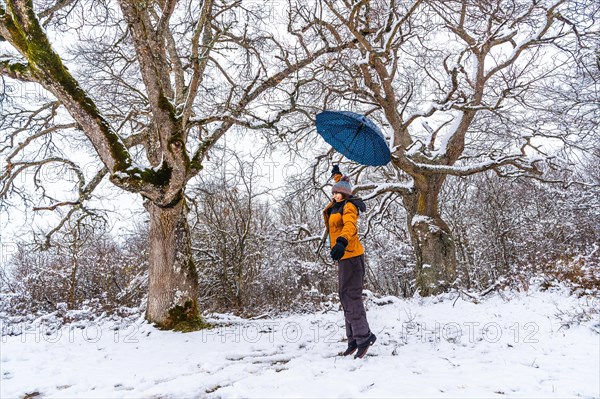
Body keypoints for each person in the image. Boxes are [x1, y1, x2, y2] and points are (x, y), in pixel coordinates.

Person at [323, 165, 376, 359]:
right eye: (334, 192)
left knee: (351, 296)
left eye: (339, 193)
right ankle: (353, 338)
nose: (336, 195)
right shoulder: (337, 203)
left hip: (352, 255)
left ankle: (364, 337)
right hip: (344, 258)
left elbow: (349, 226)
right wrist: (336, 175)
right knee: (344, 296)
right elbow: (342, 183)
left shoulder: (349, 206)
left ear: (345, 194)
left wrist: (342, 242)